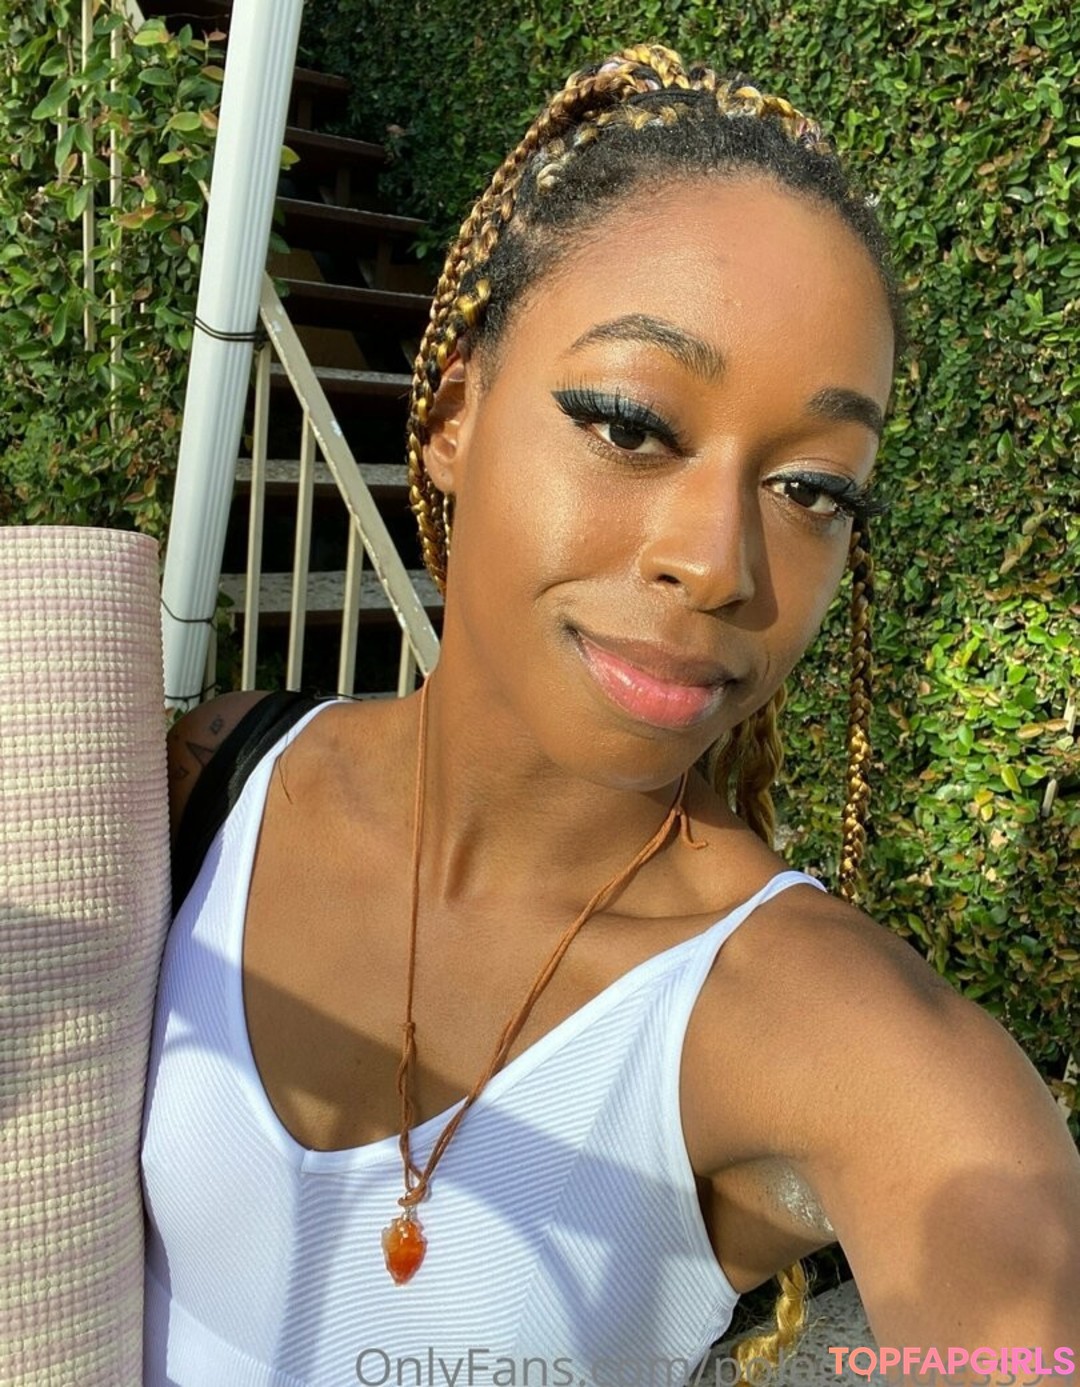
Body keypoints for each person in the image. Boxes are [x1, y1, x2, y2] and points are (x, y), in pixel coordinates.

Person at [145, 43, 1080, 1387]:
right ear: (453, 414)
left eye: (813, 490)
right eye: (632, 426)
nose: (718, 563)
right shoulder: (203, 787)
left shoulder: (853, 1048)